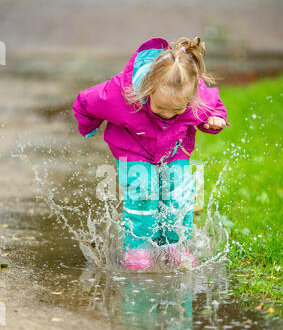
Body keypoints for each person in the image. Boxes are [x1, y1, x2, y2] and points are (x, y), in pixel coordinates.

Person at [73, 37, 229, 270]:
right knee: (144, 193)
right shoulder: (121, 94)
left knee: (180, 196)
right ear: (148, 88)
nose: (167, 115)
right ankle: (137, 249)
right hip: (133, 147)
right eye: (161, 108)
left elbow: (213, 107)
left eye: (176, 110)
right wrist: (87, 126)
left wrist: (214, 121)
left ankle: (173, 246)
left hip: (175, 149)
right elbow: (86, 102)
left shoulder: (194, 93)